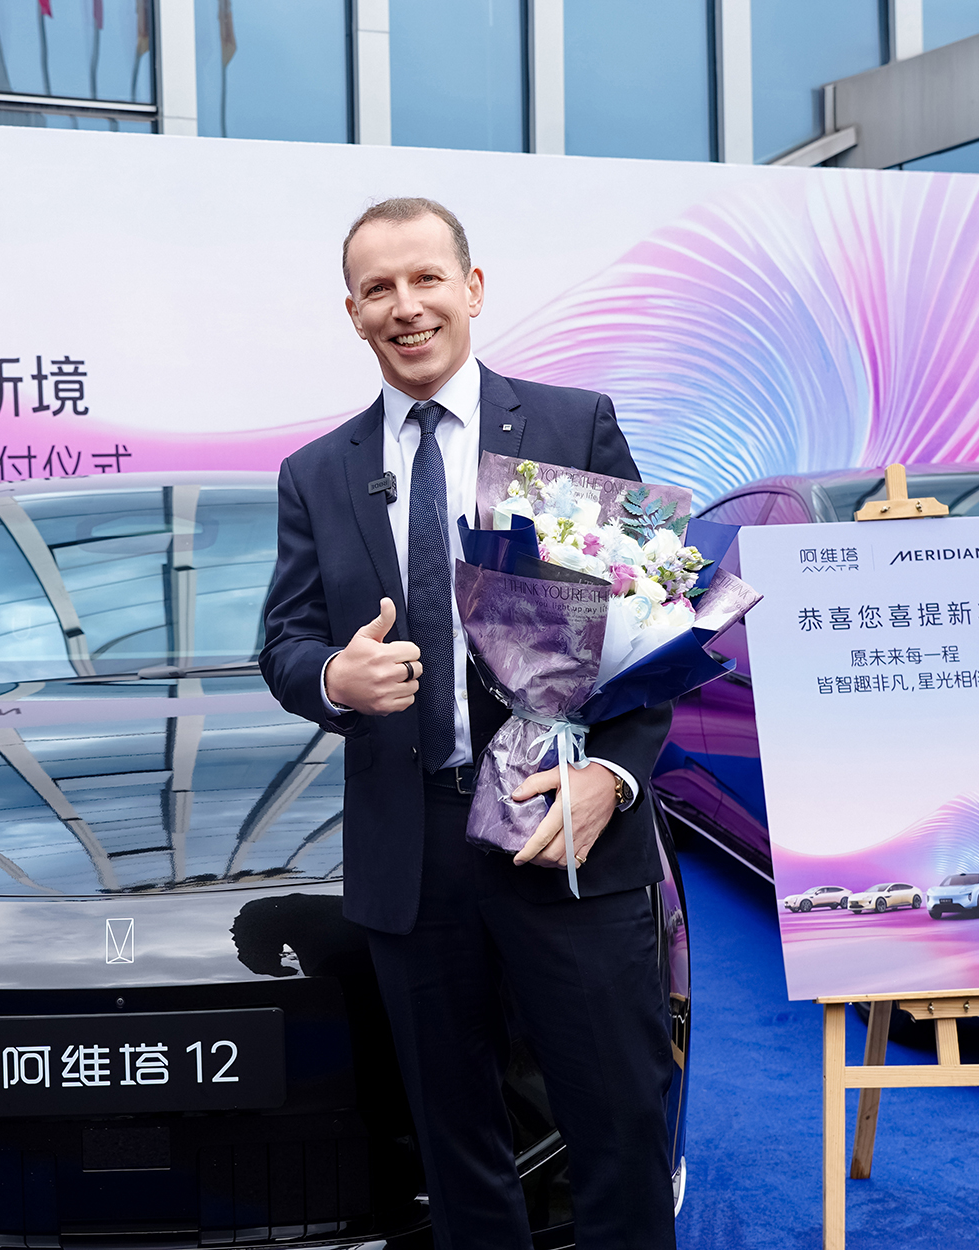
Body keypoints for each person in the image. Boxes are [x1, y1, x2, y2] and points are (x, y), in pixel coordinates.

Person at [259, 199, 676, 1249]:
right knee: (456, 1150)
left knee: (619, 1126)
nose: (405, 307)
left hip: (565, 830)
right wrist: (332, 677)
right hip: (414, 849)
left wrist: (611, 779)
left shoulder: (573, 427)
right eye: (378, 289)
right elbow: (284, 643)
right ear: (352, 312)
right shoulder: (317, 473)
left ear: (472, 288)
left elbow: (655, 628)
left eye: (425, 279)